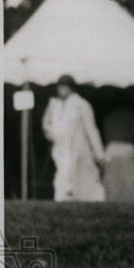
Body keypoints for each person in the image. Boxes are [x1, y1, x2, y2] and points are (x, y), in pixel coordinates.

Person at [42, 74, 106, 202]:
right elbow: (46, 125)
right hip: (61, 149)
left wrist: (99, 154)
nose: (61, 90)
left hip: (77, 149)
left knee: (83, 183)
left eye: (64, 87)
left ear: (70, 88)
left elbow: (91, 130)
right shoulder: (55, 105)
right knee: (62, 180)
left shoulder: (82, 105)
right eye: (60, 87)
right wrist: (51, 135)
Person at [101, 105, 134, 202]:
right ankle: (130, 204)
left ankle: (112, 203)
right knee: (129, 179)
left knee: (112, 181)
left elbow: (106, 137)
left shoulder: (108, 117)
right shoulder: (130, 115)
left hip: (111, 148)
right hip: (127, 147)